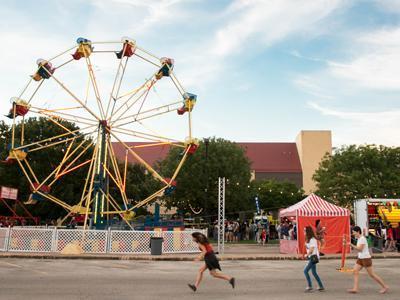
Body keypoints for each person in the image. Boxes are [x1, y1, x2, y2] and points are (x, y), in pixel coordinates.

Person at [347, 226, 388, 294]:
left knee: (372, 274)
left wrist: (351, 245)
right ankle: (355, 288)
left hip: (366, 258)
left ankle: (385, 286)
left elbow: (360, 249)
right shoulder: (359, 238)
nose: (353, 233)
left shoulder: (362, 239)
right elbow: (359, 250)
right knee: (355, 271)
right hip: (360, 258)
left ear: (358, 232)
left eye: (354, 232)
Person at [303, 226, 324, 292]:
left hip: (313, 257)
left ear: (308, 232)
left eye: (304, 230)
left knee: (305, 271)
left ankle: (310, 286)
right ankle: (321, 286)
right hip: (312, 257)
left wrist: (307, 255)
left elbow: (311, 249)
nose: (304, 232)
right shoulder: (309, 239)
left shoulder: (312, 239)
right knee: (314, 272)